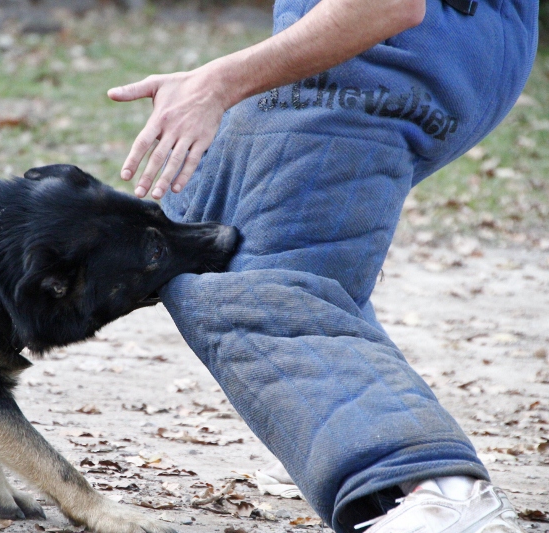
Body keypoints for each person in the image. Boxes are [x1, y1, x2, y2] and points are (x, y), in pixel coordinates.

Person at [107, 0, 538, 531]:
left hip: (393, 48)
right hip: (430, 44)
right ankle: (400, 491)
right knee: (195, 227)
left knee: (262, 285)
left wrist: (218, 82)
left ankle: (444, 492)